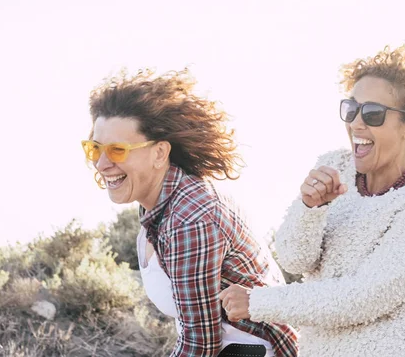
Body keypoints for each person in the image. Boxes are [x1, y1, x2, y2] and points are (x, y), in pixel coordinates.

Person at [220, 46, 405, 356]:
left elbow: (363, 298)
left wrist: (258, 302)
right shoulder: (335, 167)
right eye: (351, 109)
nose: (355, 124)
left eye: (373, 113)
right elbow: (293, 260)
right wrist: (310, 208)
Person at [82, 68, 298, 357]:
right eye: (95, 149)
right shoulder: (160, 206)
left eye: (118, 150)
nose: (101, 163)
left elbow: (201, 344)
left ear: (159, 153)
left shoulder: (189, 218)